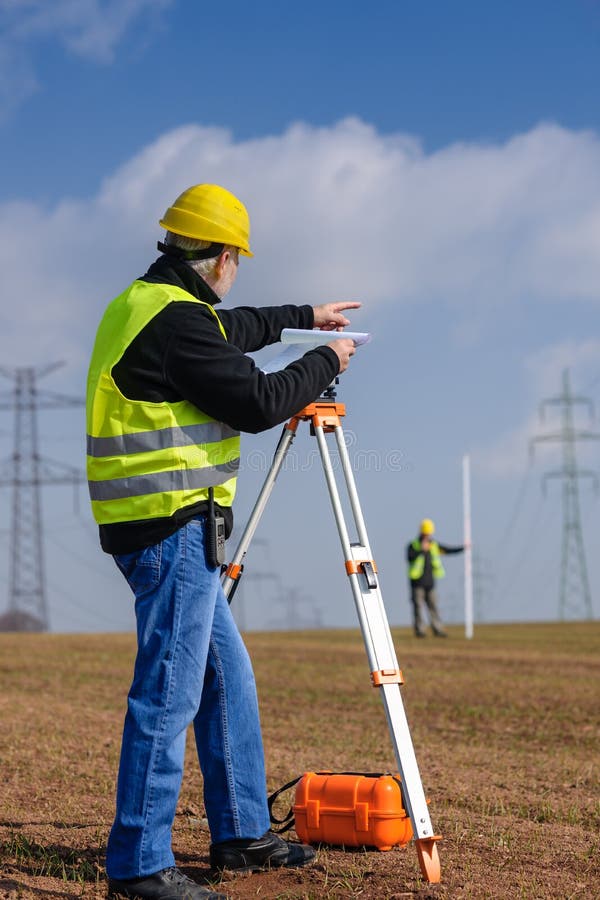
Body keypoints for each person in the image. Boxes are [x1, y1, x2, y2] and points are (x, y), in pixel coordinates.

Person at [86, 183, 360, 900]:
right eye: (237, 259)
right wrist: (327, 358)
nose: (238, 271)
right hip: (170, 527)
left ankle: (239, 834)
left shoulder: (149, 305)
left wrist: (304, 317)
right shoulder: (176, 323)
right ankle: (139, 866)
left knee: (223, 679)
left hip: (163, 527)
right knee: (169, 694)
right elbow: (260, 400)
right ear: (221, 256)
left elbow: (228, 330)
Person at [406, 518, 465, 638]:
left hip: (430, 583)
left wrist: (463, 548)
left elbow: (448, 550)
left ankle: (437, 629)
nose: (428, 535)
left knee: (433, 607)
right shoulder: (413, 545)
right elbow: (409, 558)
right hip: (417, 583)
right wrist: (421, 550)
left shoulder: (434, 546)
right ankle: (420, 630)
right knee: (418, 607)